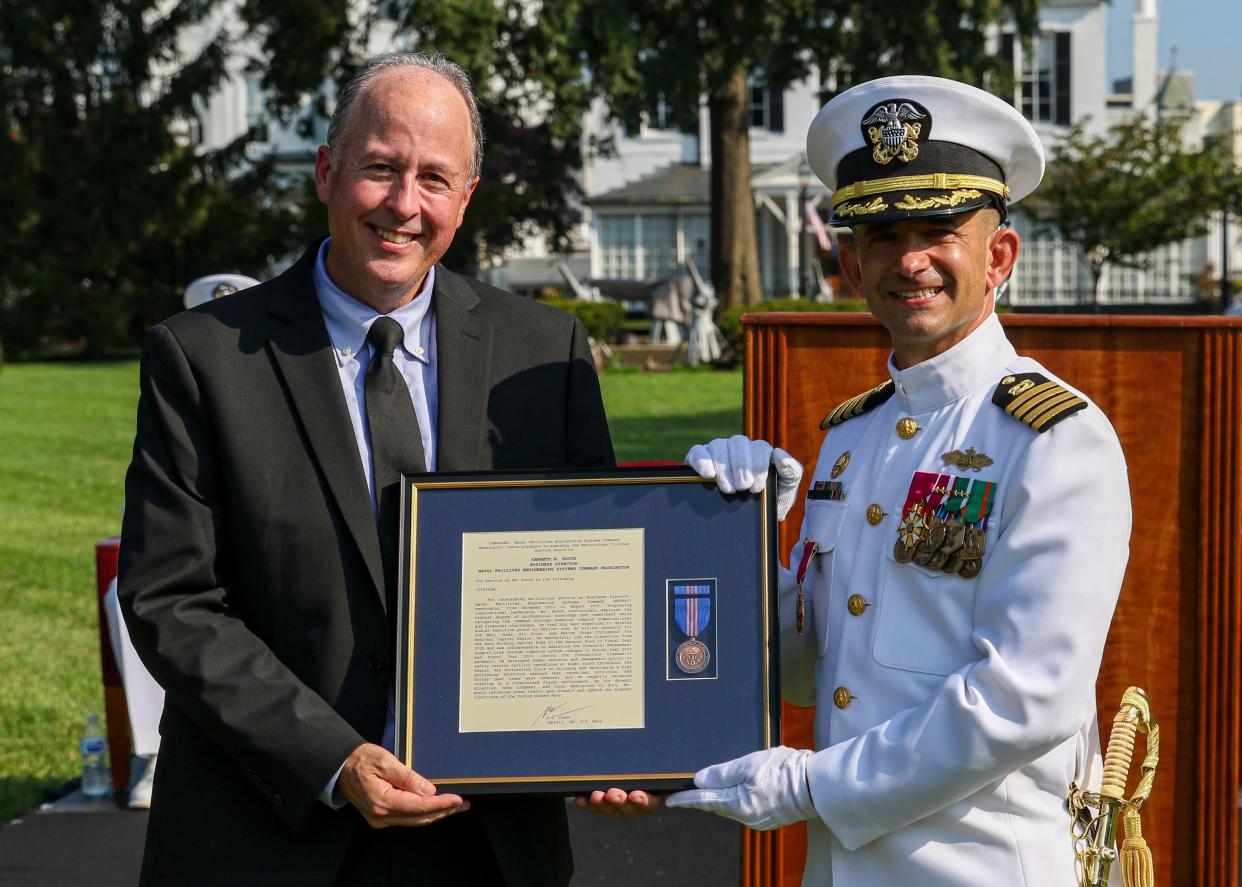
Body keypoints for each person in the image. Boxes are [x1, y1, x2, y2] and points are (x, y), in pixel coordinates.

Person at [118, 52, 647, 887]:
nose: (405, 204)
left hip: (488, 845)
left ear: (467, 197)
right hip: (269, 832)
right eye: (380, 169)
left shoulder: (546, 355)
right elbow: (169, 599)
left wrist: (616, 735)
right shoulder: (203, 357)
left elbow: (600, 580)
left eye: (435, 178)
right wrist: (333, 758)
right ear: (327, 171)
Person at [670, 75, 1132, 885]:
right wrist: (740, 540)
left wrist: (816, 782)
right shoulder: (853, 438)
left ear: (998, 256)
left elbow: (1027, 696)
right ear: (851, 263)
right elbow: (812, 661)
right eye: (882, 236)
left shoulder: (1055, 438)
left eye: (938, 231)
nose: (909, 260)